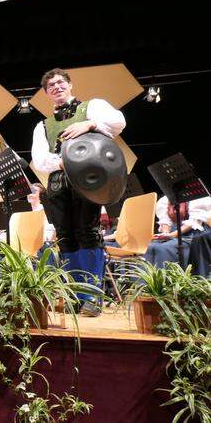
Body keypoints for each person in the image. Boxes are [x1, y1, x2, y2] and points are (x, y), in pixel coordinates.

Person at [31, 68, 126, 316]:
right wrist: (63, 162)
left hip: (87, 181)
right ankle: (74, 294)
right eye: (51, 85)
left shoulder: (92, 107)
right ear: (46, 93)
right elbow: (40, 160)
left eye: (61, 82)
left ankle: (92, 295)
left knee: (87, 231)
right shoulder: (42, 125)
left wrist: (91, 123)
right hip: (58, 183)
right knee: (65, 236)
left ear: (70, 85)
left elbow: (119, 122)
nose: (57, 87)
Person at [144, 195, 211, 268]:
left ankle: (167, 278)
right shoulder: (165, 200)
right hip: (174, 233)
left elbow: (194, 222)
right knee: (151, 246)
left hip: (194, 234)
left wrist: (172, 235)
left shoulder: (198, 197)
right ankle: (146, 279)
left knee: (163, 248)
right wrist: (165, 233)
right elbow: (165, 221)